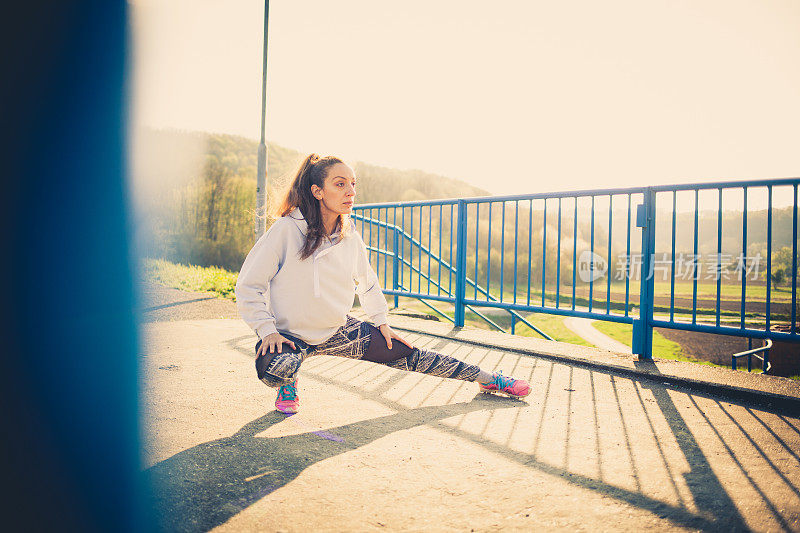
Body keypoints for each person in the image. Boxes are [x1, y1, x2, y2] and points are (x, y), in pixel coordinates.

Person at [235, 154, 531, 414]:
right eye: (340, 184)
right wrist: (267, 331)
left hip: (339, 331)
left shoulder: (350, 238)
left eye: (353, 184)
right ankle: (288, 383)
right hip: (289, 336)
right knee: (277, 369)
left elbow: (368, 283)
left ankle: (489, 378)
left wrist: (381, 322)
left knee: (410, 353)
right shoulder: (286, 231)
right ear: (317, 191)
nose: (351, 191)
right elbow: (249, 285)